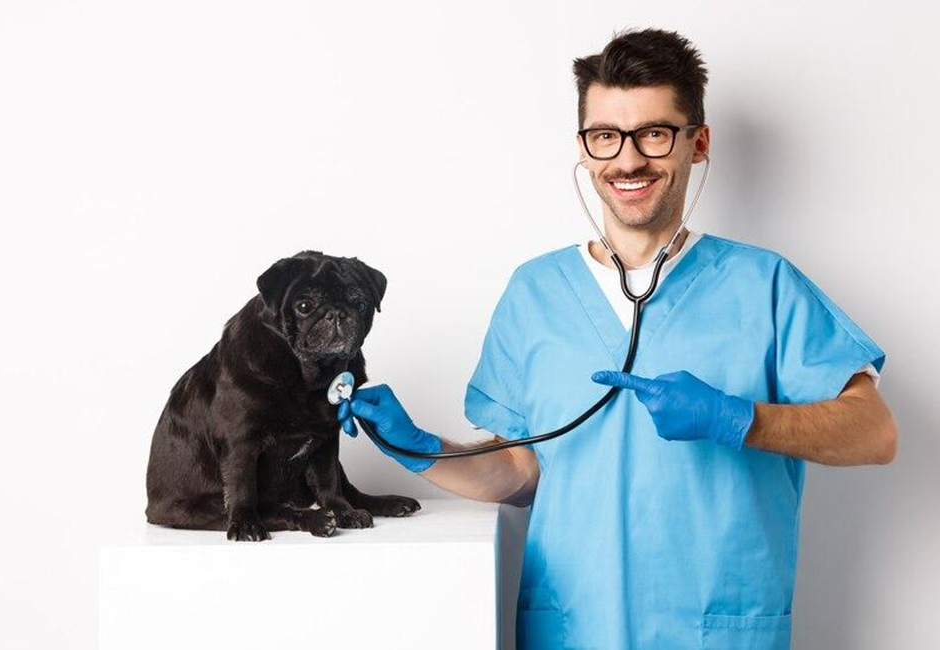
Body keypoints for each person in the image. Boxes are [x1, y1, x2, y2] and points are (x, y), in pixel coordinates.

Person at [336, 27, 897, 650]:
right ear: (584, 148)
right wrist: (422, 448)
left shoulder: (764, 285)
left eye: (654, 133)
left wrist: (738, 419)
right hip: (575, 629)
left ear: (698, 143)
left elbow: (874, 433)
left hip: (718, 631)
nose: (627, 160)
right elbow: (526, 471)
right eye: (605, 136)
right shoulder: (536, 293)